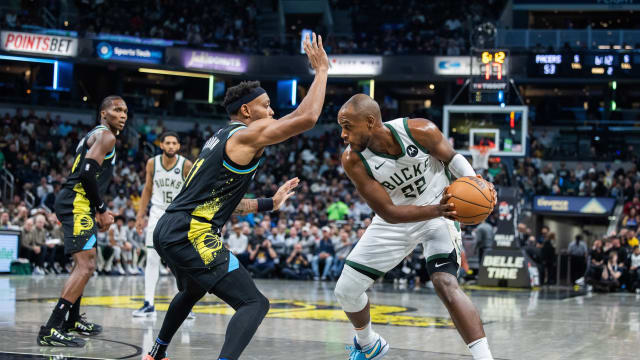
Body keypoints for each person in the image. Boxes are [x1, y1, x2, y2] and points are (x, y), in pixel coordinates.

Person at [143, 33, 328, 360]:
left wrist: (271, 202)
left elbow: (228, 205)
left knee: (192, 291)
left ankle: (155, 353)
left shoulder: (220, 137)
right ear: (246, 110)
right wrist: (322, 71)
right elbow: (307, 119)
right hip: (190, 232)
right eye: (266, 106)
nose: (271, 112)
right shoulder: (245, 134)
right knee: (254, 303)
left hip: (171, 228)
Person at [334, 94, 496, 360]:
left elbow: (453, 158)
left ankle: (484, 358)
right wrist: (437, 210)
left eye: (347, 126)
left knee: (445, 282)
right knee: (346, 290)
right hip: (397, 220)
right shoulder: (353, 160)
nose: (343, 134)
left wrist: (478, 185)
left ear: (371, 122)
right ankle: (369, 343)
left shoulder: (419, 130)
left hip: (440, 211)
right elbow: (389, 212)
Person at [37, 95, 125, 347]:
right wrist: (101, 209)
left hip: (76, 201)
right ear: (103, 114)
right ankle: (51, 328)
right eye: (117, 110)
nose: (122, 115)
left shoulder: (97, 134)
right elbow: (87, 172)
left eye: (126, 111)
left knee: (83, 265)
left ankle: (72, 320)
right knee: (86, 266)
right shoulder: (106, 136)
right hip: (77, 202)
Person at [133, 132, 193, 317]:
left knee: (181, 261)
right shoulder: (152, 163)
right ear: (161, 145)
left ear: (178, 146)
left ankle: (185, 305)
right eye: (167, 143)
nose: (171, 146)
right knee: (151, 258)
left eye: (174, 143)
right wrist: (140, 215)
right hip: (157, 213)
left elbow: (192, 191)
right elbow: (148, 189)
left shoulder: (186, 165)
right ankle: (148, 303)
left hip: (177, 215)